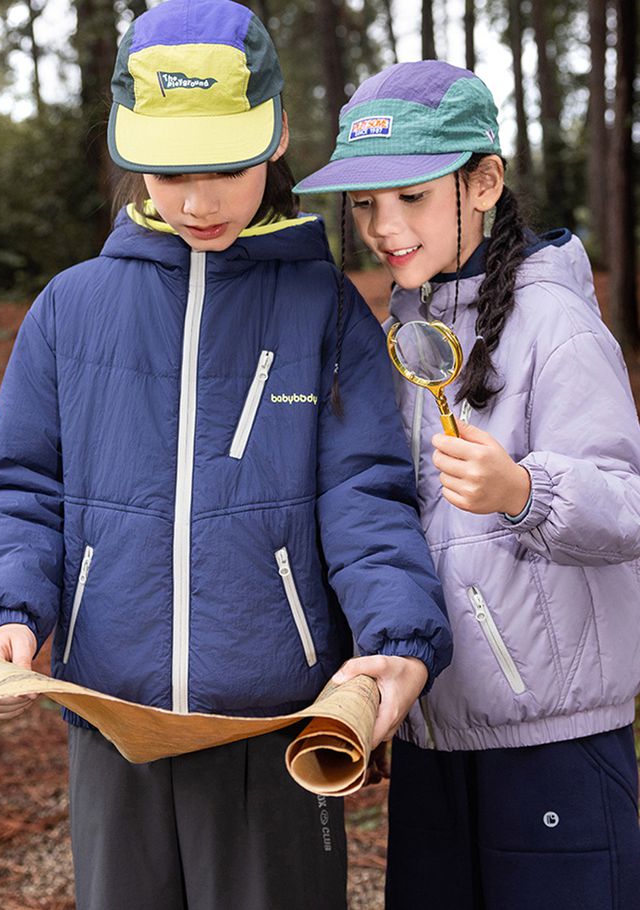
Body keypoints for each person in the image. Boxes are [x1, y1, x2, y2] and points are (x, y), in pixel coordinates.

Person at [0, 7, 452, 910]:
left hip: (276, 727)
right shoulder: (70, 308)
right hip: (112, 722)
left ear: (277, 136)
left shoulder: (326, 309)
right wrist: (9, 612)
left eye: (224, 168)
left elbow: (365, 495)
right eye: (173, 170)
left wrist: (396, 639)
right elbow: (21, 488)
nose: (198, 202)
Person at [296, 60, 640, 910]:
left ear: (483, 183)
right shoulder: (401, 328)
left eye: (411, 196)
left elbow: (626, 502)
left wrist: (524, 491)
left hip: (554, 740)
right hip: (435, 734)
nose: (384, 226)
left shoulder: (556, 325)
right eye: (365, 204)